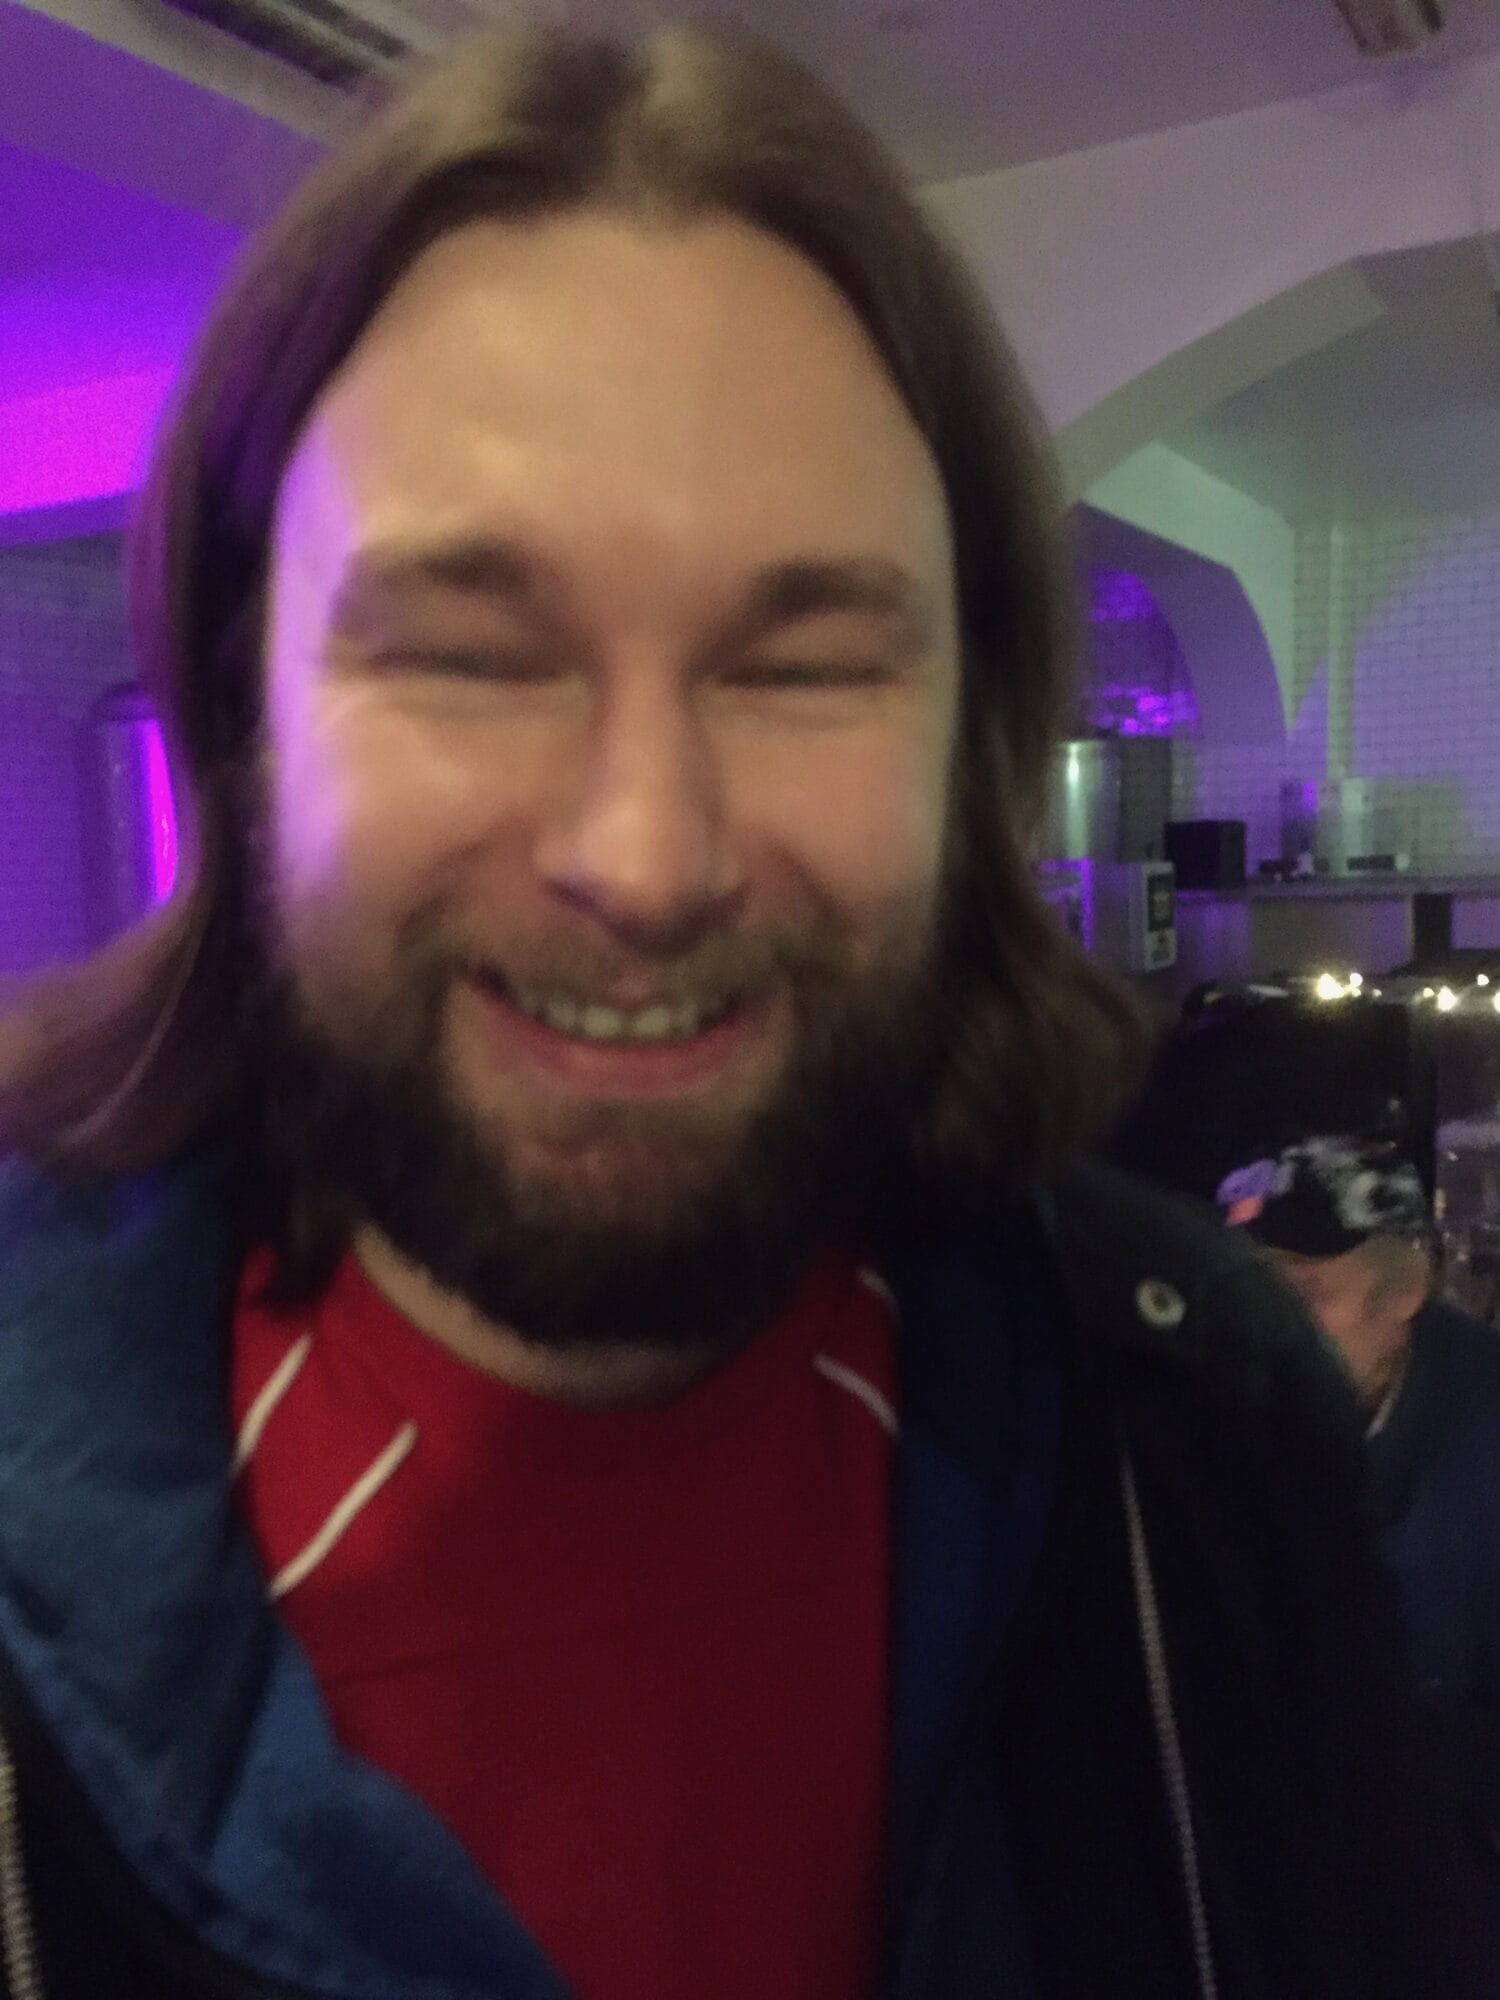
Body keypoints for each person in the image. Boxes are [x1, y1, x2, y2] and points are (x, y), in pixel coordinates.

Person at [0, 25, 1478, 2000]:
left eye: (804, 665)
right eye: (470, 654)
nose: (646, 855)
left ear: (968, 753)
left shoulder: (1200, 1428)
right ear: (243, 722)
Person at [1215, 1121, 1500, 1895]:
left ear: (1405, 1289)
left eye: (1305, 1293)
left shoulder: (1482, 1437)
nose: (1266, 1327)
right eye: (1248, 1291)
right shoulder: (1204, 1419)